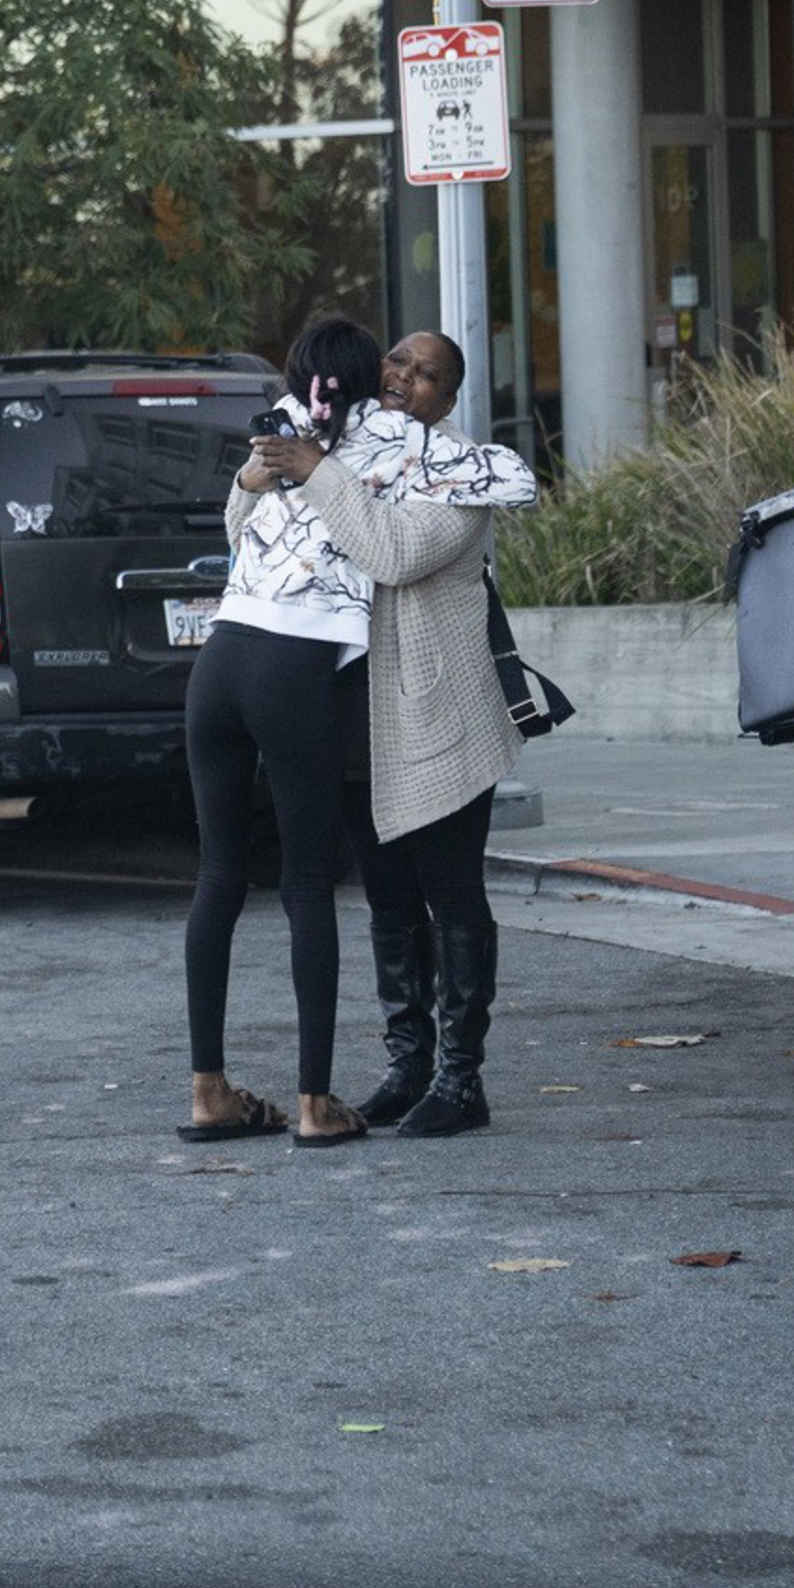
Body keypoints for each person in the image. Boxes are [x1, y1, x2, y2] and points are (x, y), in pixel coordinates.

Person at [245, 330, 537, 1138]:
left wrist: (319, 474)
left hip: (438, 717)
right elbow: (248, 531)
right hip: (349, 709)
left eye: (428, 374)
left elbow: (390, 552)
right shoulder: (339, 443)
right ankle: (405, 1069)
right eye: (398, 363)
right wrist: (259, 472)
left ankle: (459, 1080)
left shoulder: (459, 473)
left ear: (448, 399)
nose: (405, 378)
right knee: (386, 899)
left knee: (451, 896)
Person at [179, 317, 391, 1150]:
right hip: (290, 667)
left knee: (218, 875)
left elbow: (235, 533)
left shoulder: (271, 447)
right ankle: (314, 1104)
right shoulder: (386, 444)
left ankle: (208, 1093)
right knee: (307, 883)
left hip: (218, 661)